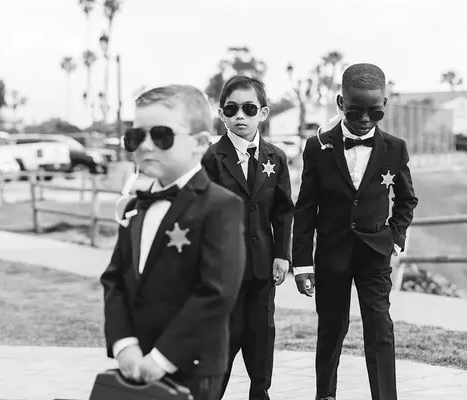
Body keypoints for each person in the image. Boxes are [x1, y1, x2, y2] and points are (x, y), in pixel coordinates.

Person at [100, 84, 246, 400]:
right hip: (134, 362)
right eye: (136, 136)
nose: (145, 146)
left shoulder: (221, 207)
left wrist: (162, 357)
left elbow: (217, 292)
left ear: (200, 143)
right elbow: (114, 279)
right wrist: (124, 343)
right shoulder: (136, 205)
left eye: (162, 135)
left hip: (191, 366)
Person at [292, 63, 418, 400]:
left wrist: (395, 238)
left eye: (374, 113)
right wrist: (302, 263)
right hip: (331, 254)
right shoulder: (317, 147)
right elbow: (305, 208)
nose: (364, 119)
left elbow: (406, 199)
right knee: (332, 330)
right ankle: (325, 395)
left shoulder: (395, 148)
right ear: (340, 102)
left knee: (380, 329)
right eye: (355, 111)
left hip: (375, 254)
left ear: (384, 105)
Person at [201, 75, 294, 400]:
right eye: (232, 109)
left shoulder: (275, 158)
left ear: (263, 113)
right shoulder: (211, 159)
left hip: (262, 268)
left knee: (261, 339)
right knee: (223, 342)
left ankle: (260, 394)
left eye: (249, 108)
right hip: (224, 271)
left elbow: (283, 211)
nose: (240, 116)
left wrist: (282, 254)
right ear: (222, 113)